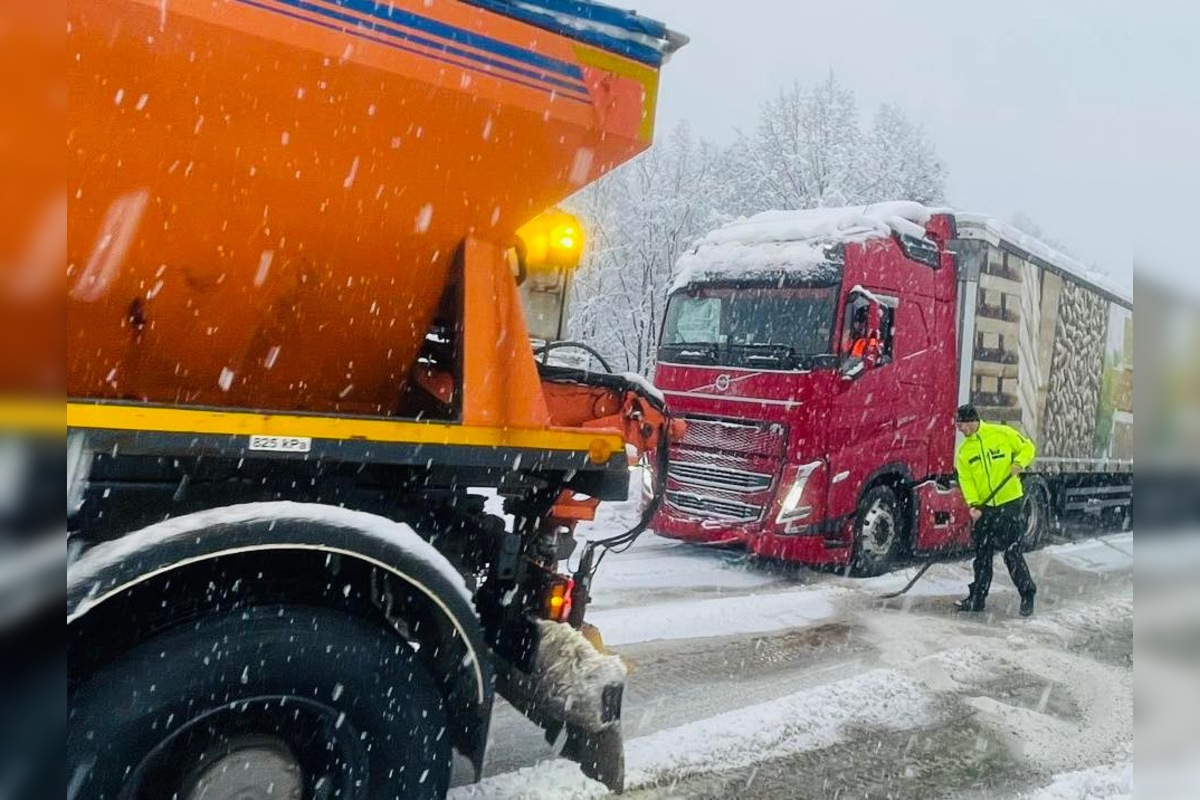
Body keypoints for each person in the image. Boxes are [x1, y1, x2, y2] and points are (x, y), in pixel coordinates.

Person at [953, 403, 1038, 616]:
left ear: (972, 421)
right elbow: (967, 481)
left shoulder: (1002, 433)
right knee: (982, 554)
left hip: (1009, 502)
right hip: (985, 507)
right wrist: (973, 505)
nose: (959, 429)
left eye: (961, 425)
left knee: (1011, 552)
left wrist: (1019, 463)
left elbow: (1028, 447)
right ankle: (978, 599)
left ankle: (1027, 593)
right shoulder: (964, 452)